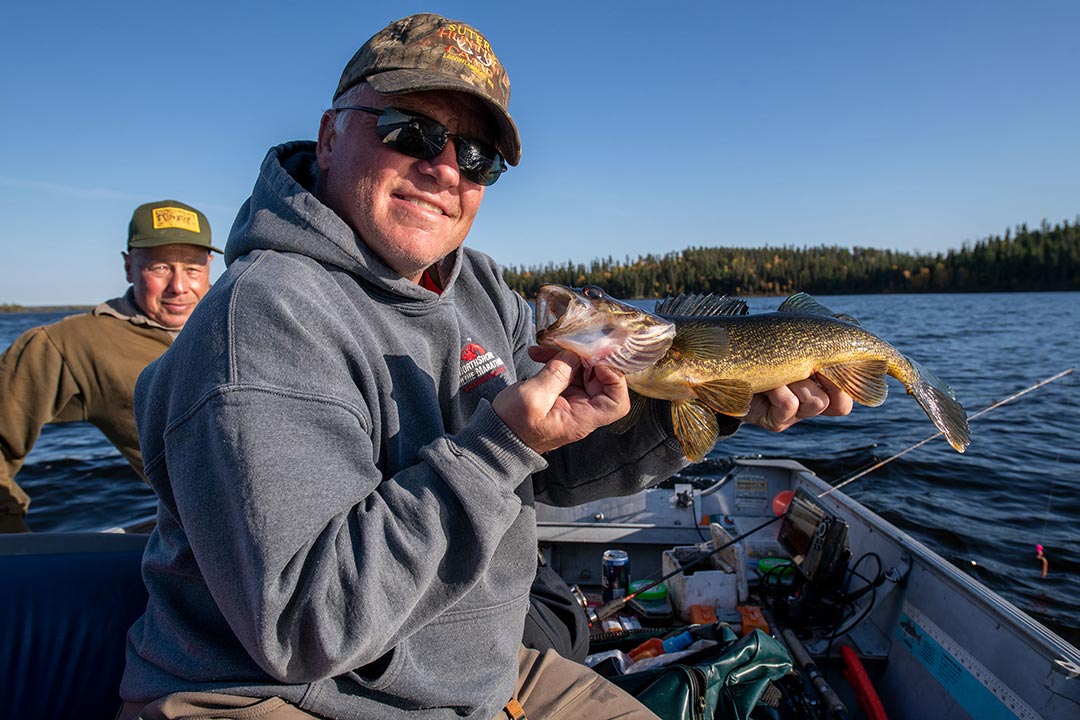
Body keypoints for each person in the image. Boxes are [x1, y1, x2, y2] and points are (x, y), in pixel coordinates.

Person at [119, 13, 852, 720]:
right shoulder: (265, 315)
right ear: (330, 133)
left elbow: (555, 472)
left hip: (472, 675)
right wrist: (502, 445)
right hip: (279, 698)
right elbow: (307, 626)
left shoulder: (477, 287)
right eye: (411, 131)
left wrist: (706, 403)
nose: (444, 169)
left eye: (477, 156)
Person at [0, 200, 220, 533]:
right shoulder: (71, 344)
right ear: (129, 267)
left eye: (192, 269)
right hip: (206, 540)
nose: (178, 286)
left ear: (210, 267)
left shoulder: (242, 316)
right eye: (159, 268)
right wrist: (12, 539)